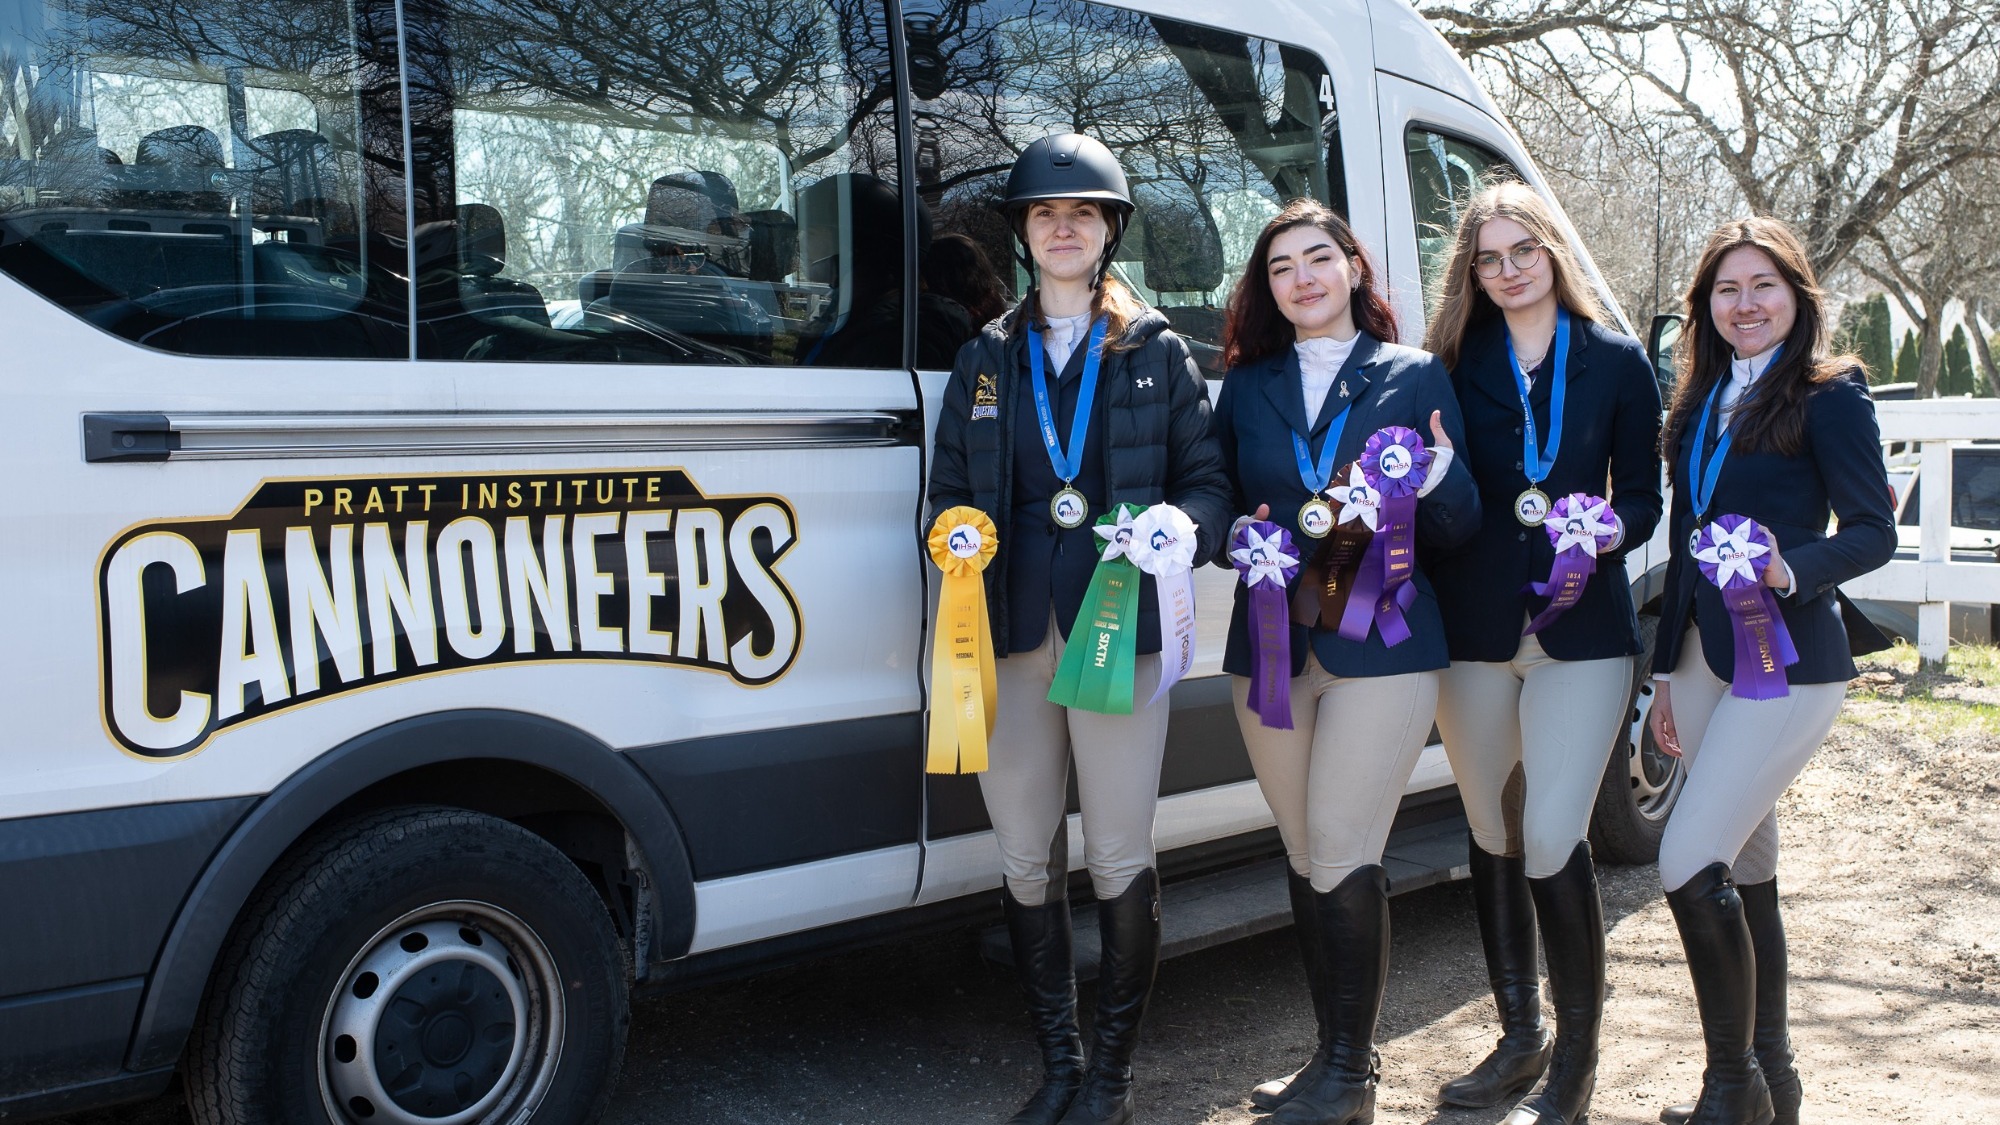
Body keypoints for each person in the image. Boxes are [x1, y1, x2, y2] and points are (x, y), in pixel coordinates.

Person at [926, 132, 1231, 1125]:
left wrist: (1181, 527)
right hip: (1010, 634)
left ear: (1107, 233)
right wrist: (952, 535)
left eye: (1083, 213)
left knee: (1115, 852)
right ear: (1022, 233)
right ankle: (1055, 1062)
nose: (1063, 228)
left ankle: (1110, 1075)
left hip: (1117, 633)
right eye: (1046, 214)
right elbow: (946, 500)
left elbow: (1206, 486)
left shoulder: (1159, 354)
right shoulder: (981, 359)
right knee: (1021, 855)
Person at [1209, 198, 1479, 1125]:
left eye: (1318, 259)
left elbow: (1459, 524)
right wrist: (1220, 529)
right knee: (1302, 849)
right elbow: (1215, 491)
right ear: (1267, 288)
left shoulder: (1414, 378)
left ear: (1355, 269)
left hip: (1385, 643)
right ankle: (1332, 1059)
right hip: (1273, 644)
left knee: (1339, 845)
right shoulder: (1247, 386)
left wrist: (1437, 478)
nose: (1302, 279)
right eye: (1281, 267)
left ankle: (1351, 1076)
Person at [1418, 181, 1664, 1125]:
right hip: (1474, 634)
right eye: (1490, 256)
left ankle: (1577, 1065)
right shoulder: (1451, 360)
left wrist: (1608, 526)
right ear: (1472, 272)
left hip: (1582, 636)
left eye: (1525, 250)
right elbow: (1437, 492)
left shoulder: (1614, 361)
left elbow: (1644, 497)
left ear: (1555, 251)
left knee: (1556, 835)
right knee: (1492, 831)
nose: (1509, 268)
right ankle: (1521, 1036)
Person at [1647, 217, 1893, 1125]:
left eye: (1763, 287)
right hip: (1707, 658)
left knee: (1684, 857)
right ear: (1706, 307)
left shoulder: (1831, 396)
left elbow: (1874, 531)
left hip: (1789, 661)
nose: (1744, 305)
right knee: (1746, 863)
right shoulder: (1699, 399)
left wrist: (1791, 567)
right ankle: (1774, 1084)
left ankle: (1729, 1092)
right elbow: (1683, 550)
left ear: (1797, 297)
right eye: (1726, 289)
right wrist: (1668, 674)